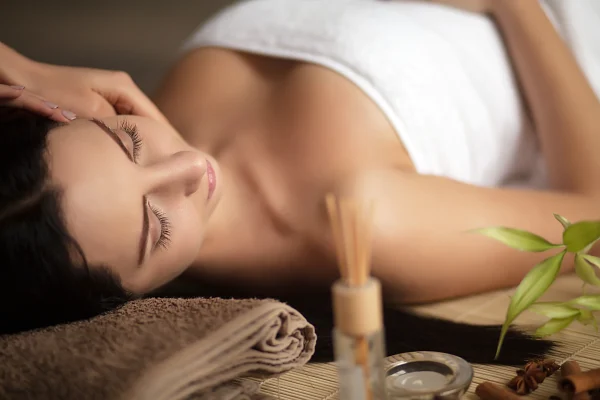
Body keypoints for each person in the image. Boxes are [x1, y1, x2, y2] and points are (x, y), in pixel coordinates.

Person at [1, 0, 599, 341]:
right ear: (125, 300)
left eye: (128, 142)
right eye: (156, 225)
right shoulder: (362, 220)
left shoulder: (150, 104)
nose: (187, 165)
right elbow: (592, 209)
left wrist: (25, 63)